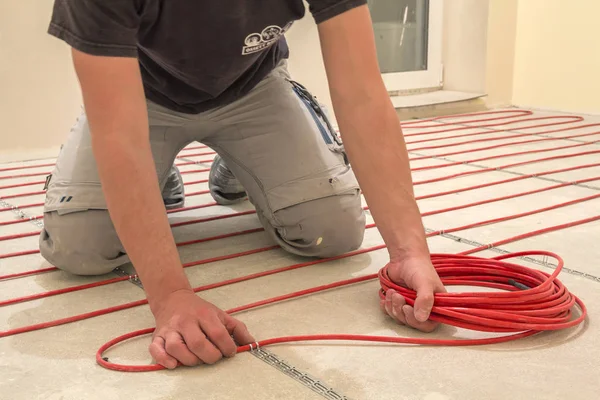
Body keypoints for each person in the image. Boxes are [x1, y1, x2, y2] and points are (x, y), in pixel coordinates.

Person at [42, 0, 446, 369]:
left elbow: (362, 94)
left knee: (333, 231)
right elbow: (118, 135)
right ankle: (157, 175)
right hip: (139, 99)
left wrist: (409, 252)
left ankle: (236, 166)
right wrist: (171, 298)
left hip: (255, 89)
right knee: (80, 246)